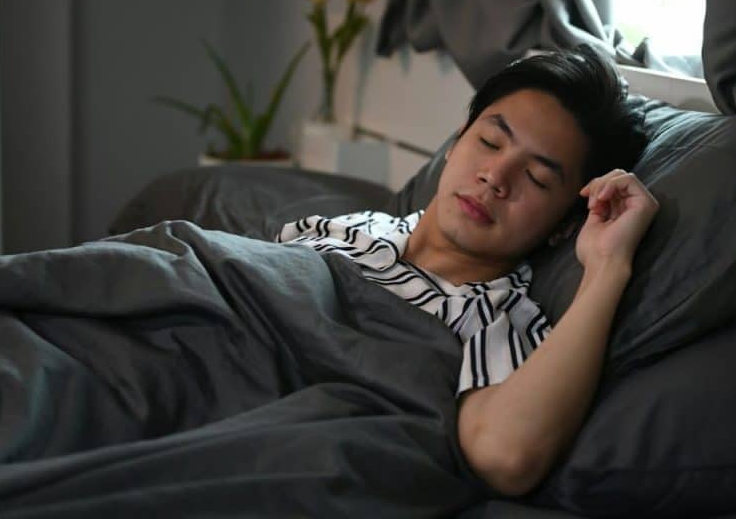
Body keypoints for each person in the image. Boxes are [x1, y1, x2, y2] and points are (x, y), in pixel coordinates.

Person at [277, 45, 658, 496]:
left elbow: (503, 457)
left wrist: (607, 267)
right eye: (490, 142)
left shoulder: (494, 320)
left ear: (564, 225)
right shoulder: (351, 227)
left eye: (536, 178)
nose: (496, 176)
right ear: (457, 141)